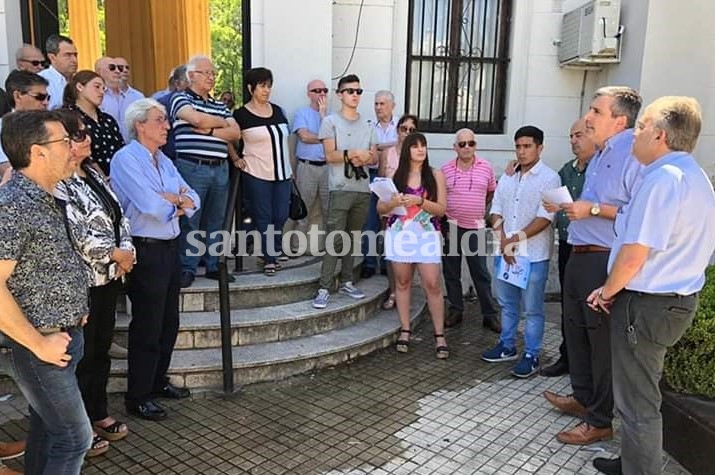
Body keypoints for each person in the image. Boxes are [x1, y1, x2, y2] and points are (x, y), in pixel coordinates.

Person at [587, 97, 715, 475]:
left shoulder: (663, 180)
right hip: (670, 300)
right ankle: (631, 462)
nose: (635, 134)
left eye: (640, 127)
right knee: (640, 393)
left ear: (660, 135)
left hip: (648, 304)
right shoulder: (694, 176)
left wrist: (606, 292)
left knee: (637, 402)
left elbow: (633, 255)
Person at [544, 87, 643, 446]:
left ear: (620, 119)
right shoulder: (601, 153)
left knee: (599, 341)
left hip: (604, 256)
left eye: (596, 111)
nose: (588, 117)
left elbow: (636, 213)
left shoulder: (634, 153)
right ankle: (583, 399)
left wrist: (594, 210)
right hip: (579, 251)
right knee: (576, 331)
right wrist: (574, 208)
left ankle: (600, 419)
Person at [0, 110, 93, 473]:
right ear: (38, 152)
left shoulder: (47, 197)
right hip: (42, 347)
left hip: (65, 337)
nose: (73, 148)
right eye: (64, 142)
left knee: (46, 428)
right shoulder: (14, 207)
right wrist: (39, 343)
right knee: (74, 437)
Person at [111, 98, 200, 421]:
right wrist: (176, 202)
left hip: (169, 245)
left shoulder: (163, 159)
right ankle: (138, 395)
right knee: (147, 324)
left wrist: (176, 201)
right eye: (160, 120)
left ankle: (157, 380)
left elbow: (194, 197)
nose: (167, 125)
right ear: (140, 125)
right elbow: (150, 205)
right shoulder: (126, 159)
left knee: (168, 321)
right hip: (145, 248)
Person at [54, 110, 135, 454]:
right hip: (82, 281)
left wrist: (127, 249)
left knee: (100, 350)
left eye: (86, 133)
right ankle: (79, 428)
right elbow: (75, 235)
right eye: (79, 135)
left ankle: (97, 411)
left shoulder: (92, 172)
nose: (87, 139)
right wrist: (116, 253)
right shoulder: (57, 182)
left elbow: (119, 216)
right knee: (81, 356)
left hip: (108, 278)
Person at [481, 125, 560, 378]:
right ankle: (507, 346)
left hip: (533, 256)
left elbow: (545, 218)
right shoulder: (508, 175)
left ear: (540, 148)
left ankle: (532, 354)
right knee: (507, 304)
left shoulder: (550, 178)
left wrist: (515, 239)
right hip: (506, 252)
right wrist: (503, 240)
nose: (522, 151)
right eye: (518, 146)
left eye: (527, 146)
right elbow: (496, 210)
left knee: (533, 308)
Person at [170, 54, 240, 288]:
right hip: (192, 167)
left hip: (220, 169)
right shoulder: (180, 99)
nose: (211, 77)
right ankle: (187, 267)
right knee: (191, 219)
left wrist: (209, 131)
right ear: (191, 76)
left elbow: (236, 133)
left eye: (213, 73)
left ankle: (214, 265)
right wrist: (220, 122)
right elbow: (196, 119)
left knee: (217, 220)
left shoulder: (219, 104)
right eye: (206, 73)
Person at [377, 132, 449, 358]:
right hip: (399, 235)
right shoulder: (396, 177)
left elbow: (442, 210)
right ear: (407, 150)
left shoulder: (436, 175)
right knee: (402, 282)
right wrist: (392, 202)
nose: (420, 149)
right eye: (415, 146)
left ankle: (440, 335)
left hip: (426, 235)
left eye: (423, 146)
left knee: (433, 284)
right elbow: (380, 208)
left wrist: (420, 201)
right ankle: (405, 330)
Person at [312, 74, 377, 309]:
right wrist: (353, 153)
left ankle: (348, 280)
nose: (355, 95)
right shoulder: (330, 122)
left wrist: (364, 156)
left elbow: (374, 156)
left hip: (362, 189)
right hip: (340, 187)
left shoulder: (369, 124)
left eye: (358, 91)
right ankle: (324, 286)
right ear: (340, 94)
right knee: (334, 238)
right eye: (350, 91)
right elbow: (330, 156)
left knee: (352, 238)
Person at [540, 119, 596, 377]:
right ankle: (568, 357)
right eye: (571, 136)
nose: (574, 140)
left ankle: (590, 363)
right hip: (567, 244)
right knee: (568, 304)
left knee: (590, 307)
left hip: (593, 249)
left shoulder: (601, 171)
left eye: (579, 135)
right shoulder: (567, 170)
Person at [233, 67, 292, 275]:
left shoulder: (278, 110)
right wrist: (235, 158)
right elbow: (229, 139)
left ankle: (272, 250)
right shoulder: (240, 115)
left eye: (269, 86)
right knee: (264, 216)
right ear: (251, 88)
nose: (266, 90)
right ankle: (269, 258)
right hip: (257, 172)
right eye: (262, 86)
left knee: (281, 214)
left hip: (282, 174)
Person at [441, 128, 500, 333]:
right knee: (451, 272)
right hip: (451, 227)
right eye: (462, 144)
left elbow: (492, 192)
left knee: (481, 273)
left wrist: (478, 210)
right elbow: (440, 196)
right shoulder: (445, 169)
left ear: (475, 145)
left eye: (471, 143)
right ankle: (456, 310)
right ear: (455, 147)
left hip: (476, 228)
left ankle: (489, 315)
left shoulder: (486, 168)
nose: (467, 147)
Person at [377, 114, 418, 310]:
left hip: (411, 212)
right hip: (390, 210)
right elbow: (381, 179)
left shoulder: (417, 154)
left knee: (409, 254)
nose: (407, 133)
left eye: (411, 130)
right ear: (398, 129)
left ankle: (405, 291)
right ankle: (393, 291)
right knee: (391, 254)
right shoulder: (388, 152)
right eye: (404, 128)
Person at [361, 90, 398, 278]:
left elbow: (402, 144)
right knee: (370, 220)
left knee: (389, 220)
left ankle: (386, 262)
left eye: (382, 104)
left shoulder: (401, 126)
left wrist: (377, 146)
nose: (378, 107)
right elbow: (367, 149)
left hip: (394, 176)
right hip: (372, 174)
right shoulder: (368, 126)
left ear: (392, 106)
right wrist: (388, 145)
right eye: (376, 104)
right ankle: (369, 262)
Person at [292, 79, 329, 253]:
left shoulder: (331, 117)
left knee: (330, 211)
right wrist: (324, 138)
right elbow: (304, 137)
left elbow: (335, 142)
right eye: (317, 90)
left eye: (324, 90)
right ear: (309, 94)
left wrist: (323, 117)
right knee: (302, 210)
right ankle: (295, 248)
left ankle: (331, 249)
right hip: (307, 167)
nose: (322, 93)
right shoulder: (302, 113)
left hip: (328, 168)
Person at [63, 70, 125, 176]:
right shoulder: (69, 118)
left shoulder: (108, 119)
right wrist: (102, 179)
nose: (102, 92)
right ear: (80, 87)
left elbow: (121, 149)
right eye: (97, 87)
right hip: (90, 178)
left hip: (119, 176)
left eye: (103, 88)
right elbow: (83, 156)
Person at [0, 70, 50, 176]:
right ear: (18, 96)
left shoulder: (51, 125)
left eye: (47, 97)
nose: (45, 102)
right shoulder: (2, 128)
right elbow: (7, 169)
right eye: (39, 97)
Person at [97, 57, 144, 143]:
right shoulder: (96, 97)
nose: (118, 71)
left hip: (132, 149)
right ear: (99, 72)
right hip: (107, 149)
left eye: (119, 68)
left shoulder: (137, 96)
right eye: (112, 68)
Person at [39, 34, 77, 110]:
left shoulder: (79, 80)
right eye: (68, 55)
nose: (74, 60)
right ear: (52, 57)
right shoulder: (41, 81)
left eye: (75, 55)